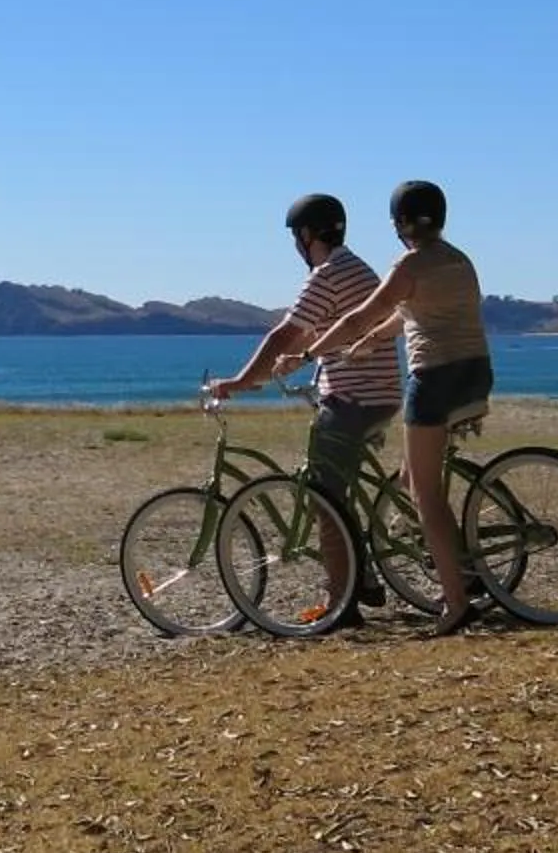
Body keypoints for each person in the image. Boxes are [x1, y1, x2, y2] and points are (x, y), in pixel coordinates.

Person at [302, 178, 494, 636]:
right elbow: (407, 314)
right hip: (476, 373)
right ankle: (461, 571)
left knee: (425, 495)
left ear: (399, 223)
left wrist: (309, 353)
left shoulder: (408, 264)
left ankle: (456, 602)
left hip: (435, 380)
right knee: (410, 478)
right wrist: (370, 342)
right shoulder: (458, 260)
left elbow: (358, 315)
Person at [201, 191, 404, 610]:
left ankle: (340, 603)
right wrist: (266, 375)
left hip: (353, 398)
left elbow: (285, 334)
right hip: (380, 394)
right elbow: (311, 336)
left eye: (296, 236)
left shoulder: (327, 274)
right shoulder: (356, 268)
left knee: (322, 497)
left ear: (307, 235)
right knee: (338, 490)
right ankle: (363, 579)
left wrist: (239, 381)